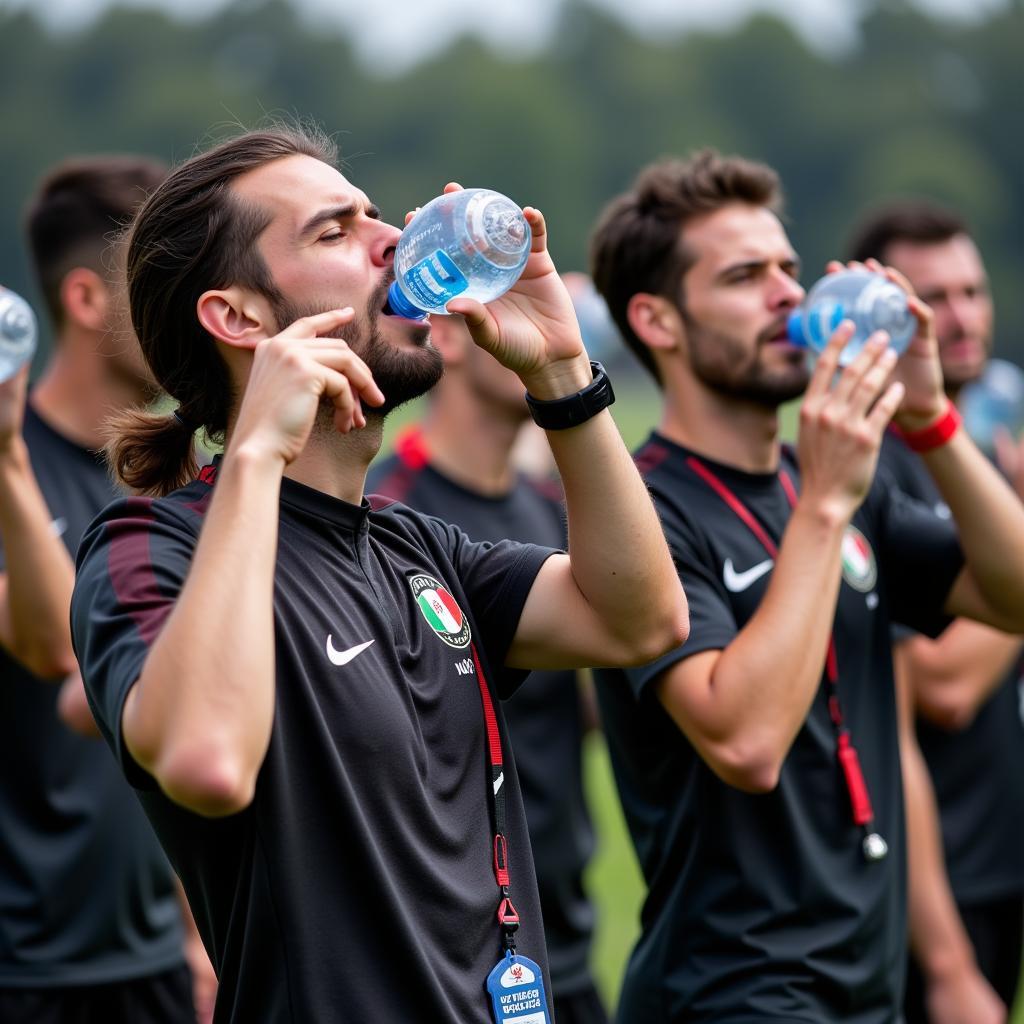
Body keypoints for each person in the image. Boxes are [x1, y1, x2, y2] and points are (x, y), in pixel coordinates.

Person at [67, 122, 688, 1024]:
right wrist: (255, 459)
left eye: (371, 216)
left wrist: (561, 374)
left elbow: (637, 620)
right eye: (334, 231)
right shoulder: (146, 545)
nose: (392, 240)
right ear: (237, 317)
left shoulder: (417, 547)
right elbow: (206, 760)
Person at [587, 149, 1024, 1023]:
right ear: (658, 321)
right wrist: (826, 510)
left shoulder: (817, 478)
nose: (789, 295)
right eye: (746, 277)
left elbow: (1011, 598)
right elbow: (746, 742)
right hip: (731, 993)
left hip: (869, 985)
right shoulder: (643, 517)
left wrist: (933, 422)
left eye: (789, 268)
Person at [0, 156, 216, 1023]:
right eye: (162, 281)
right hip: (27, 971)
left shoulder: (170, 480)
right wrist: (8, 460)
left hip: (156, 958)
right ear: (87, 302)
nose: (195, 307)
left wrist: (200, 932)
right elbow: (58, 649)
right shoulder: (16, 470)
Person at [366, 296, 609, 1024]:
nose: (532, 333)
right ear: (446, 334)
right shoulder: (388, 513)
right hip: (457, 950)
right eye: (504, 312)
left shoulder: (546, 507)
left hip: (562, 924)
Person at [848, 202, 1024, 1023]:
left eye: (971, 291)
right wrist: (949, 962)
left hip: (999, 865)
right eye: (931, 299)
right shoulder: (871, 468)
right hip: (935, 894)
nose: (959, 317)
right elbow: (942, 686)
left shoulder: (974, 459)